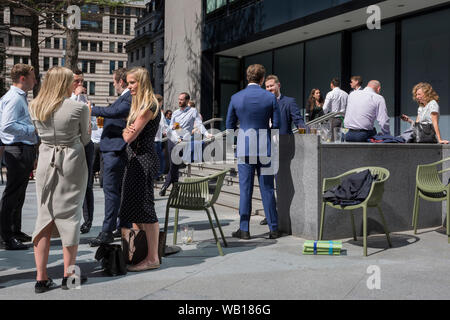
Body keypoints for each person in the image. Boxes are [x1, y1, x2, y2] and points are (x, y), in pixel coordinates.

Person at [29, 66, 91, 293]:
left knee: (44, 217)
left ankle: (41, 278)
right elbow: (85, 138)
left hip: (45, 161)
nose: (74, 84)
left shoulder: (35, 106)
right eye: (71, 81)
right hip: (71, 162)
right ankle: (69, 275)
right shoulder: (79, 107)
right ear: (64, 83)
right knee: (70, 216)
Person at [226, 64, 281, 240]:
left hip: (244, 147)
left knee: (245, 190)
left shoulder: (236, 97)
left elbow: (229, 125)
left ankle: (244, 229)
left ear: (247, 77)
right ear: (262, 79)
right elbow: (277, 124)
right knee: (267, 189)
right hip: (264, 147)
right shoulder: (270, 97)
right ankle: (273, 228)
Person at [120, 67, 161, 272]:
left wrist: (124, 131)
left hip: (143, 160)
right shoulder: (141, 104)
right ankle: (141, 253)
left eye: (132, 82)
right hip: (136, 159)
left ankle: (152, 258)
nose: (129, 87)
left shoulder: (149, 105)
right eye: (128, 83)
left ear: (142, 82)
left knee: (145, 208)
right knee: (135, 208)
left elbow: (128, 136)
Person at [88, 68, 132, 246]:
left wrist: (91, 109)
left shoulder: (128, 98)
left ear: (120, 81)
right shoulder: (123, 98)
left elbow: (114, 112)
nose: (114, 84)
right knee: (115, 192)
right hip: (112, 149)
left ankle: (107, 231)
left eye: (114, 81)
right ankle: (120, 226)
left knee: (111, 192)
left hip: (115, 150)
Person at [0, 64, 38, 250]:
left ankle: (15, 230)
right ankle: (6, 236)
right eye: (32, 77)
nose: (35, 80)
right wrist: (32, 129)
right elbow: (6, 126)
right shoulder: (14, 99)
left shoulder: (18, 97)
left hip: (22, 148)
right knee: (13, 194)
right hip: (18, 149)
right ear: (23, 78)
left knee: (19, 194)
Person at [159, 92, 211, 196]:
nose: (179, 101)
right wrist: (173, 130)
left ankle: (165, 185)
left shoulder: (193, 111)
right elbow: (172, 127)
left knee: (175, 164)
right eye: (179, 99)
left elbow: (199, 124)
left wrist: (206, 133)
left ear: (187, 101)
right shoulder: (175, 112)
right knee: (175, 164)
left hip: (183, 141)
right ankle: (175, 188)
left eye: (182, 99)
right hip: (172, 140)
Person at [70, 69, 98, 235]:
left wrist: (89, 113)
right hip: (70, 145)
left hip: (86, 144)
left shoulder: (85, 99)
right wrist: (75, 98)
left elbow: (93, 125)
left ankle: (88, 221)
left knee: (87, 184)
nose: (81, 85)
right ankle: (70, 218)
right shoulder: (67, 98)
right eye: (77, 81)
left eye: (82, 81)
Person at [154, 94, 167, 181]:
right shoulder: (160, 113)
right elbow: (164, 126)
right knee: (160, 159)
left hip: (148, 140)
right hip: (156, 140)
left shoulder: (148, 111)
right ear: (160, 102)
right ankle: (157, 175)